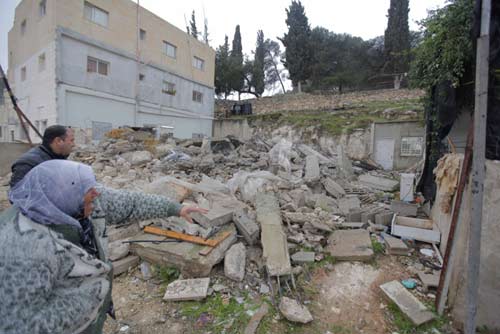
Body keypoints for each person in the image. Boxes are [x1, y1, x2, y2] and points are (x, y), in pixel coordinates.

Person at [0, 160, 207, 334]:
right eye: (88, 192)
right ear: (64, 195)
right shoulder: (21, 246)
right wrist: (88, 298)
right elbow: (22, 324)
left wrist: (176, 208)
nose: (96, 194)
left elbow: (130, 203)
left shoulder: (82, 200)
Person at [9, 125, 75, 188]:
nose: (73, 144)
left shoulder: (59, 158)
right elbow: (17, 195)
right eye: (71, 140)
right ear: (58, 141)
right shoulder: (27, 164)